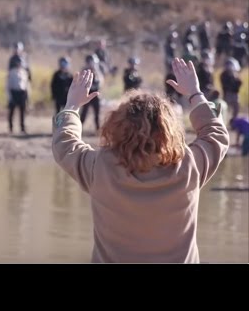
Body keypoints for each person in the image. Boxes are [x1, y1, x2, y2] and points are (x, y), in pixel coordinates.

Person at [52, 58, 229, 263]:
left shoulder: (100, 167)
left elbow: (64, 144)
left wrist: (72, 104)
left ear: (117, 126)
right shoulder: (189, 166)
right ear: (170, 130)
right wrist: (195, 94)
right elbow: (216, 135)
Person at [79, 54, 103, 131]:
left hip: (96, 95)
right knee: (84, 113)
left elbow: (100, 81)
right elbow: (81, 82)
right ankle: (79, 128)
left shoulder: (97, 71)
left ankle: (98, 129)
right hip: (87, 94)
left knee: (97, 114)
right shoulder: (84, 71)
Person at [7, 54, 30, 134]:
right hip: (14, 92)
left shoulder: (24, 73)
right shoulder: (12, 72)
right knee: (11, 112)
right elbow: (8, 85)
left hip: (22, 93)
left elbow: (27, 85)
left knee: (22, 112)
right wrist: (9, 96)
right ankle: (10, 128)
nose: (19, 64)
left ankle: (22, 128)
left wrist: (28, 96)